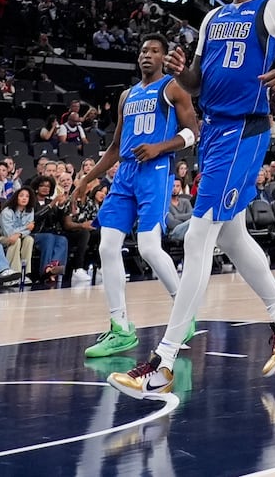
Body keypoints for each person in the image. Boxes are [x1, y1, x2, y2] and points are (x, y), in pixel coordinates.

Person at [111, 0, 275, 399]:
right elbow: (196, 82)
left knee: (198, 237)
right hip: (213, 132)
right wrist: (181, 74)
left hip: (243, 132)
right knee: (231, 235)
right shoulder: (213, 19)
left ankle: (164, 361)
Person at [78, 37, 197, 359]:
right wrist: (86, 180)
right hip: (125, 174)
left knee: (147, 247)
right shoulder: (126, 96)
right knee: (106, 245)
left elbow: (192, 132)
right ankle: (120, 328)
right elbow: (116, 147)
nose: (147, 55)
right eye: (143, 51)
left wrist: (160, 147)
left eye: (154, 51)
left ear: (163, 58)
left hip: (155, 172)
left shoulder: (173, 88)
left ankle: (183, 313)